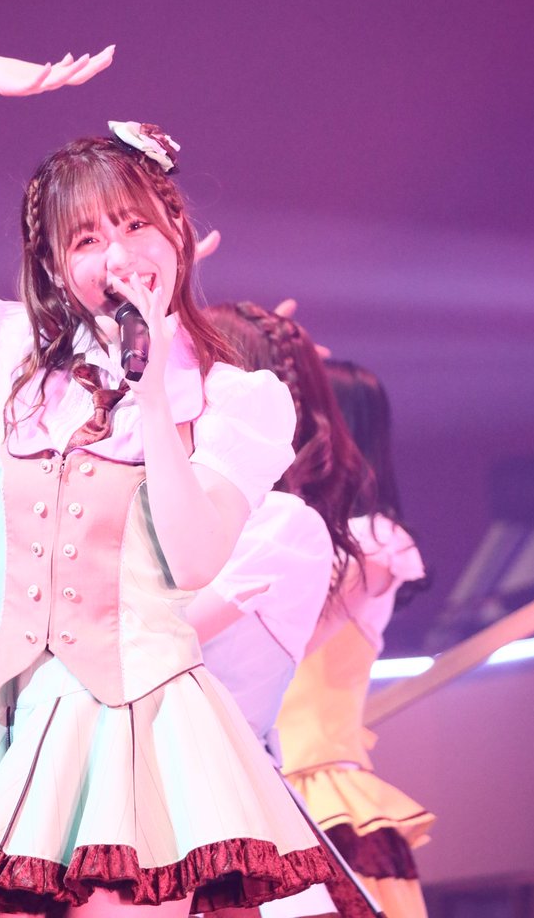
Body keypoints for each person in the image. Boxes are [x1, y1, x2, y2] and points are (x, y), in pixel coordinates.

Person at [0, 51, 337, 918]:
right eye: (85, 240)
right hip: (14, 720)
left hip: (137, 727)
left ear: (178, 231)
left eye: (134, 225)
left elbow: (194, 561)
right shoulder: (14, 359)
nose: (116, 255)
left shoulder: (237, 399)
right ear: (54, 269)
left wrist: (152, 392)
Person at [187, 305, 375, 918]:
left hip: (222, 813)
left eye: (191, 366)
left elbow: (159, 637)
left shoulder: (281, 525)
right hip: (151, 800)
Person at [276, 362, 434, 918]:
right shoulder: (285, 535)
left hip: (319, 790)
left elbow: (287, 641)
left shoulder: (374, 543)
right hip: (258, 779)